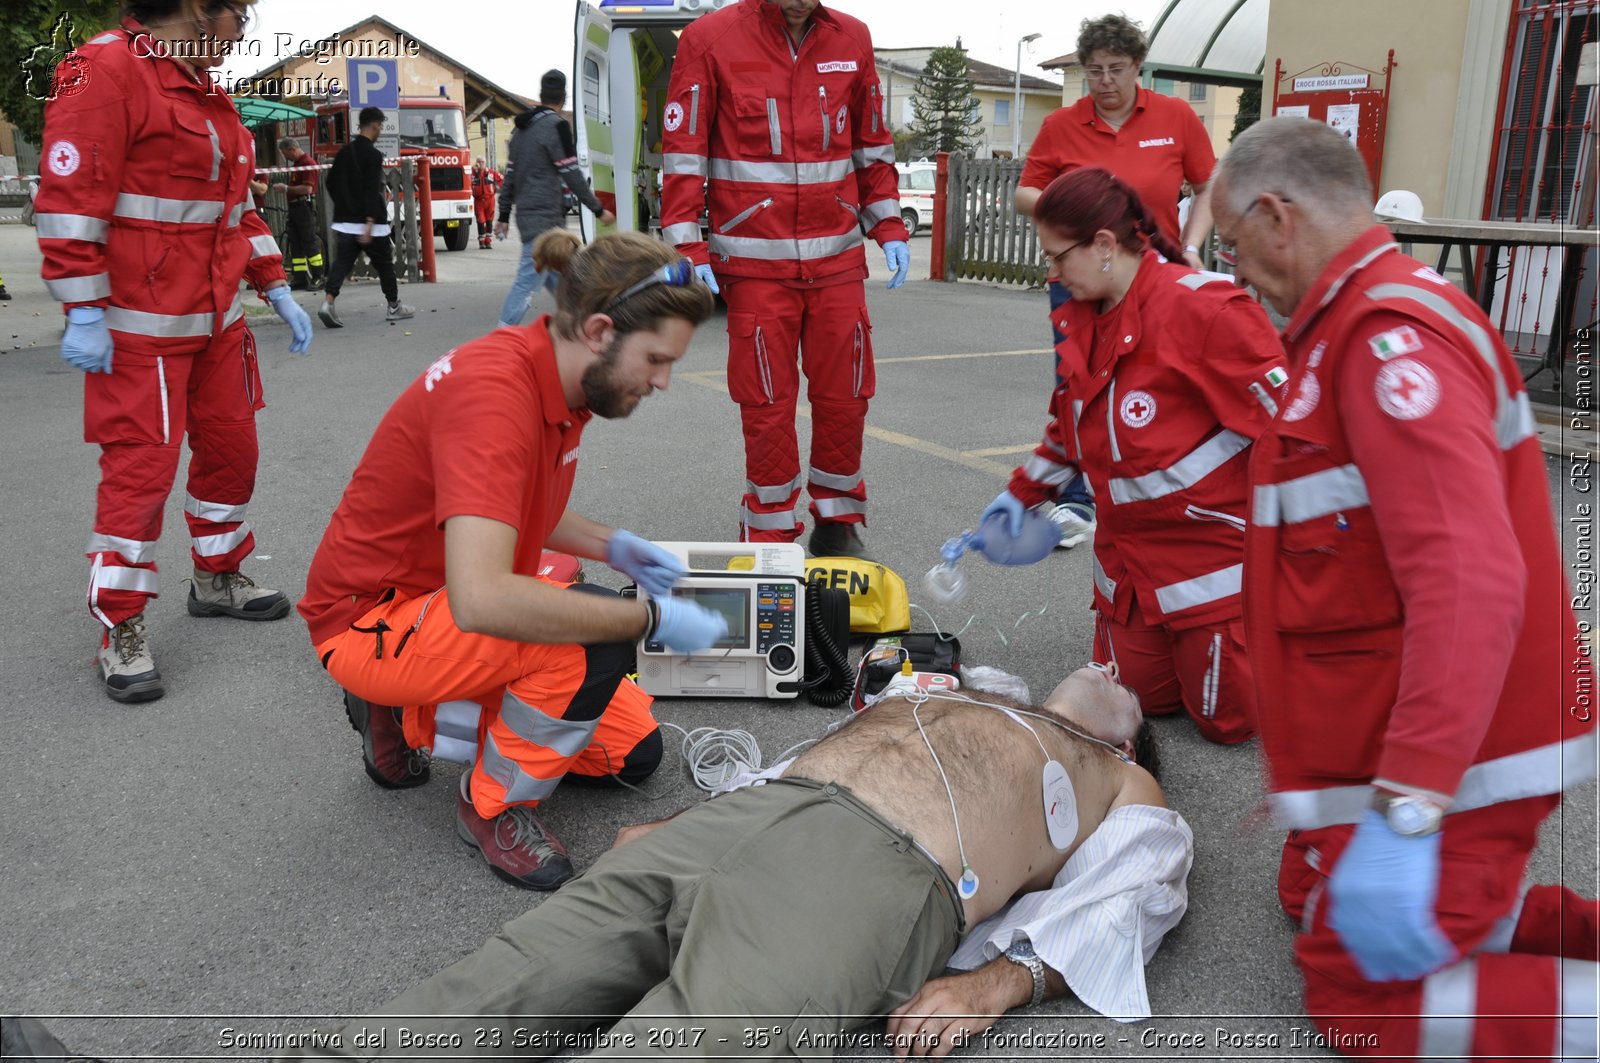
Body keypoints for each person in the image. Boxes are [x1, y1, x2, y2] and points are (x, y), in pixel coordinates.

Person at [261, 667, 1188, 1059]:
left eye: (1123, 682)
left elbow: (1134, 896)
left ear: (1132, 735)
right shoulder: (969, 694)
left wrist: (997, 983)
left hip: (872, 870)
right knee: (509, 978)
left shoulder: (1118, 780)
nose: (1104, 663)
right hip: (750, 817)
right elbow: (817, 751)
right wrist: (686, 819)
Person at [1214, 117, 1599, 1058]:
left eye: (1233, 245)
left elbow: (1468, 583)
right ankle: (1489, 918)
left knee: (1359, 1004)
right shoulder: (1358, 317)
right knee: (1314, 899)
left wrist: (1411, 803)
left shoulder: (1387, 341)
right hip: (1419, 737)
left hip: (1462, 760)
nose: (1237, 273)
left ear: (1277, 216)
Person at [299, 230, 728, 891]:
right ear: (599, 330)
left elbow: (513, 510)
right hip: (370, 620)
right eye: (656, 358)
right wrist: (643, 620)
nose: (665, 380)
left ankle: (411, 712)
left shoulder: (554, 380)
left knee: (633, 753)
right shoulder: (495, 396)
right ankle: (491, 805)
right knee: (590, 631)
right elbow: (482, 599)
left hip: (432, 600)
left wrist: (614, 544)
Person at [33, 0, 313, 704]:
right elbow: (70, 197)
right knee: (139, 477)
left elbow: (231, 206)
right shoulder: (100, 70)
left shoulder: (200, 84)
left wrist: (274, 284)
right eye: (238, 19)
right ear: (198, 8)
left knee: (231, 451)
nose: (240, 36)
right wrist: (84, 308)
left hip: (216, 320)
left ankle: (217, 575)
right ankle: (119, 624)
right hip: (140, 329)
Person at [979, 168, 1285, 746]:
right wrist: (1019, 498)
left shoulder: (1206, 312)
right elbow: (1069, 433)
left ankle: (1276, 632)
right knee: (1144, 706)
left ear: (1101, 245)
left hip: (1206, 566)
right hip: (1130, 571)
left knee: (1225, 724)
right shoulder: (1082, 320)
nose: (1052, 272)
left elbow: (1291, 435)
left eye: (1057, 256)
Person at [660, 0, 911, 560]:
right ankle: (770, 537)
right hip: (753, 264)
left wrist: (889, 224)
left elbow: (871, 142)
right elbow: (684, 152)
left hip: (838, 259)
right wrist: (688, 244)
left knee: (846, 394)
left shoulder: (852, 38)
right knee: (767, 403)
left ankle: (838, 523)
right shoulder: (709, 38)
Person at [1014, 15, 1221, 551]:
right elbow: (1024, 194)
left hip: (1156, 278)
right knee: (1080, 386)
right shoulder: (1062, 124)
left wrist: (1194, 246)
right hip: (1082, 276)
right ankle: (1079, 500)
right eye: (1093, 71)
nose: (1104, 81)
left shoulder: (1175, 116)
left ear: (1137, 67)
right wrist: (1081, 212)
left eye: (1116, 69)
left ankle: (1155, 488)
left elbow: (1208, 185)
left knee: (1157, 384)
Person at [493, 70, 615, 328]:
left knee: (562, 276)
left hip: (527, 217)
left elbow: (510, 177)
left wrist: (503, 215)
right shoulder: (557, 127)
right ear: (564, 97)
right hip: (545, 221)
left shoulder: (521, 131)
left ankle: (579, 324)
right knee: (527, 280)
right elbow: (572, 174)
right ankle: (502, 335)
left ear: (541, 95)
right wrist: (597, 209)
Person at [316, 106, 414, 328]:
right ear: (375, 125)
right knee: (384, 263)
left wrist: (344, 204)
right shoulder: (372, 154)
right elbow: (372, 189)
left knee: (342, 263)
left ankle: (328, 303)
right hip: (371, 224)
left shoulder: (344, 151)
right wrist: (369, 220)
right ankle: (393, 306)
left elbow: (330, 183)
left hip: (345, 222)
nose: (380, 129)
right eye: (380, 125)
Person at [273, 136, 325, 289]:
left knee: (309, 242)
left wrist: (286, 188)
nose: (285, 157)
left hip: (304, 207)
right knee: (295, 243)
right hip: (295, 208)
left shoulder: (307, 164)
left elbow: (307, 189)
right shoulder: (298, 164)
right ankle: (300, 278)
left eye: (285, 153)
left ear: (292, 149)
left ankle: (318, 276)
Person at [469, 156, 500, 249]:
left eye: (482, 162)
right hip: (479, 201)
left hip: (490, 200)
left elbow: (502, 179)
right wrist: (473, 169)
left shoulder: (491, 173)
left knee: (489, 221)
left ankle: (488, 241)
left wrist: (498, 187)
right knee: (481, 221)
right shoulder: (472, 173)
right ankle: (481, 241)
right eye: (479, 162)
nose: (480, 164)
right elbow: (465, 178)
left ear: (485, 163)